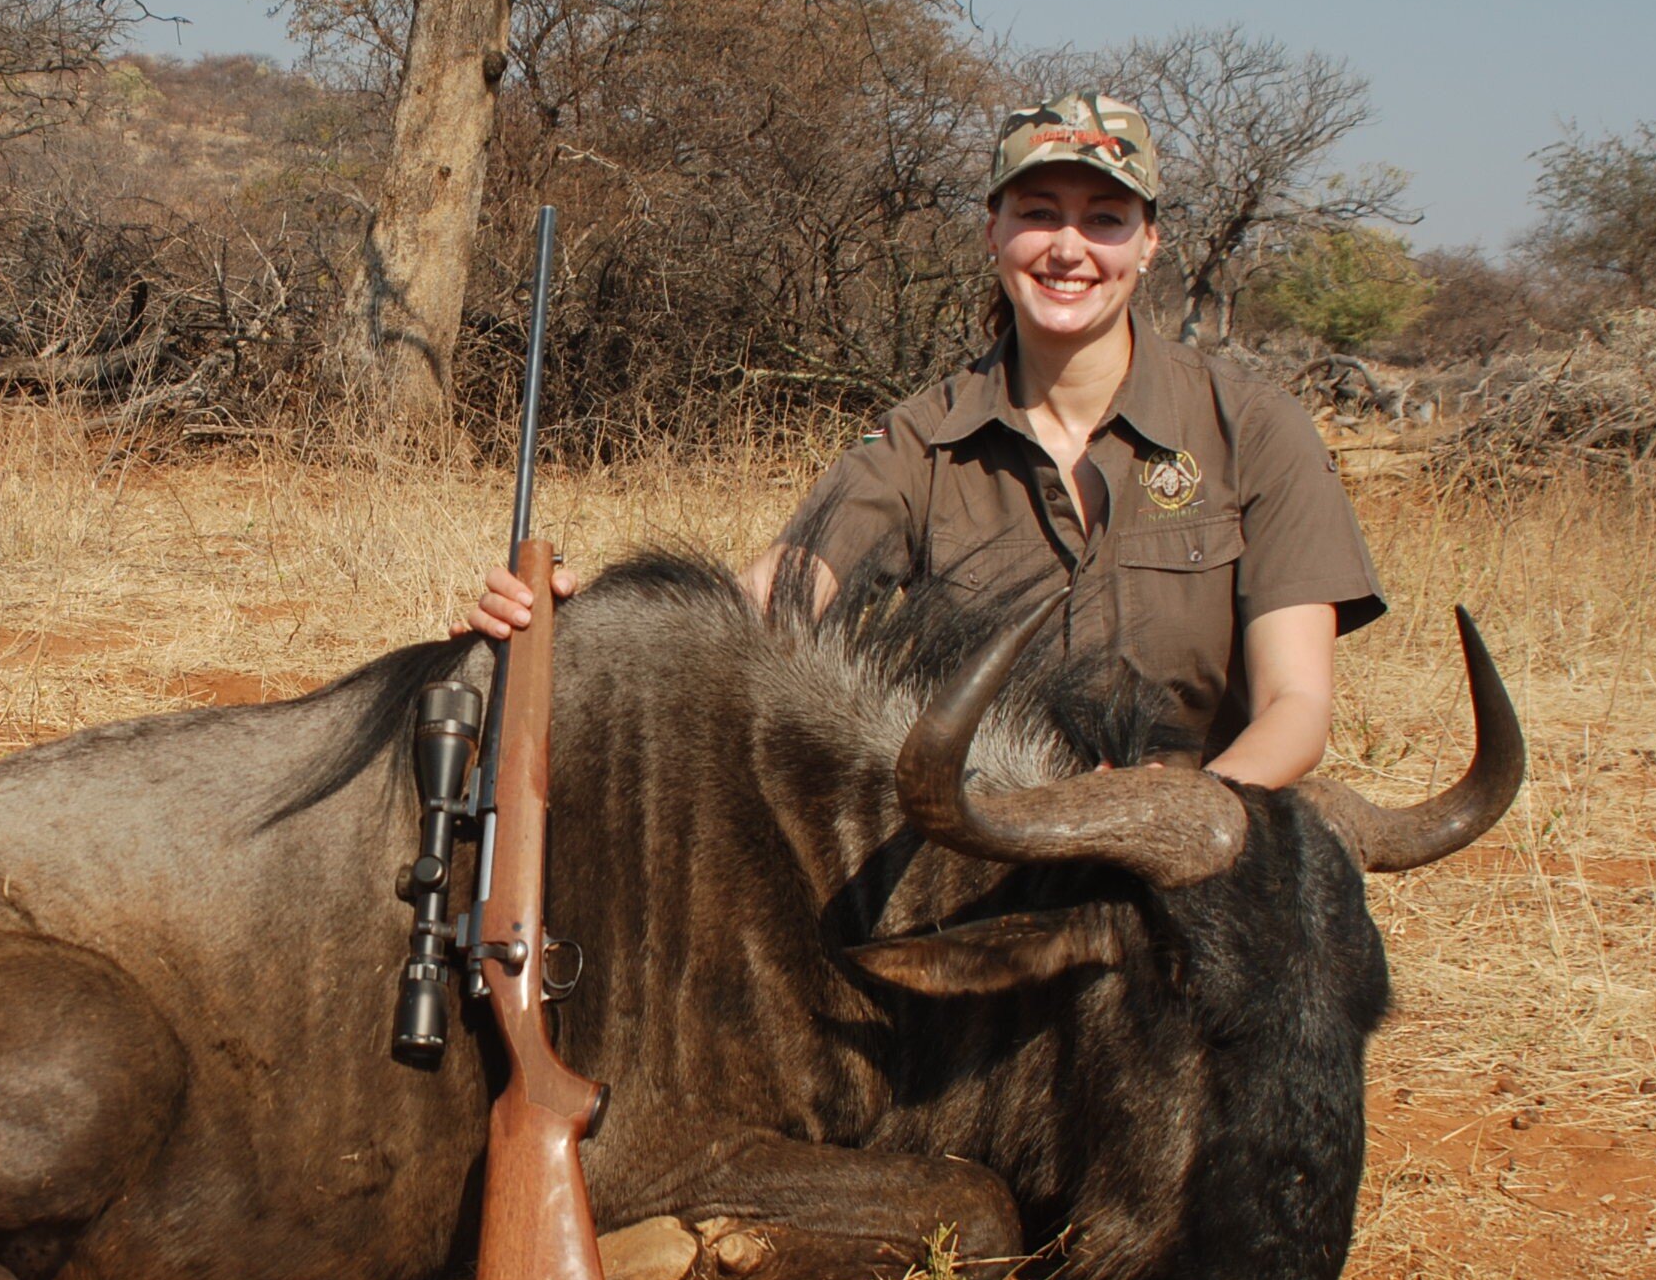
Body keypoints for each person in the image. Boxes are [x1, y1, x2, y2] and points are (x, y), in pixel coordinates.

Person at [464, 92, 1383, 786]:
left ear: (1148, 244)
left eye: (1105, 218)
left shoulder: (1252, 428)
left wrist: (1165, 818)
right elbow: (773, 597)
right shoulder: (923, 437)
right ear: (994, 232)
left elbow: (1296, 712)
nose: (1070, 248)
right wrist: (579, 627)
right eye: (1038, 212)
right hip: (986, 841)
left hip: (1194, 840)